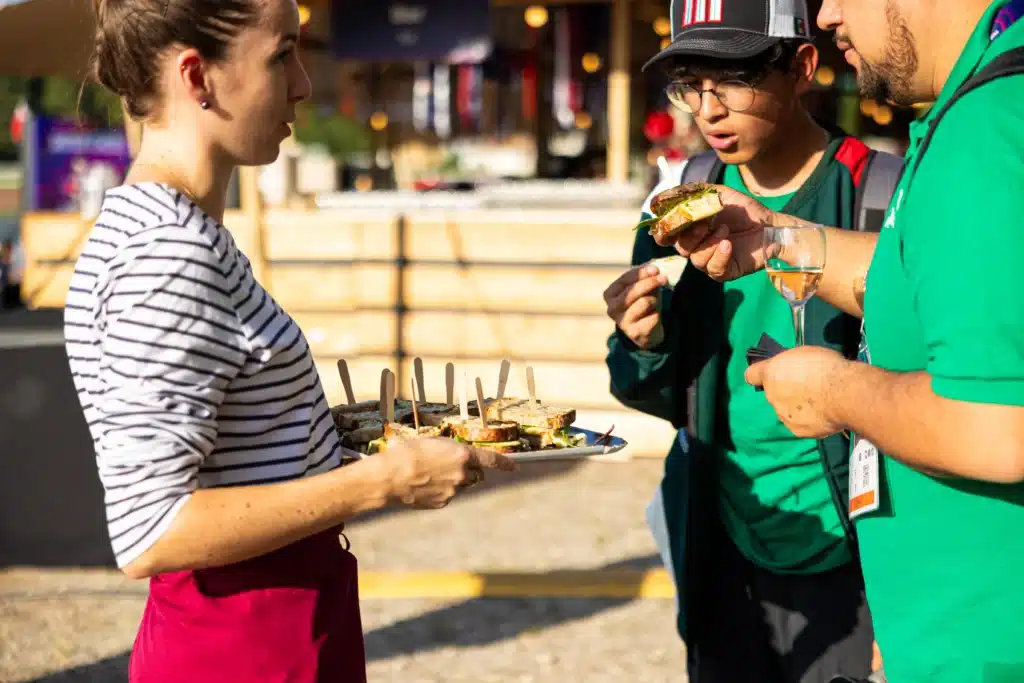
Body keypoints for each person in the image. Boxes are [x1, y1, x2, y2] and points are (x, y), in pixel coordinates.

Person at [65, 1, 517, 681]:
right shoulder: (168, 255)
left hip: (264, 634)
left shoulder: (173, 232)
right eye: (281, 56)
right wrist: (382, 480)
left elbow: (230, 444)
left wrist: (354, 433)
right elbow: (152, 528)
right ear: (197, 76)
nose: (305, 83)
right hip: (240, 648)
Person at [656, 1, 1024, 682]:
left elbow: (1001, 426)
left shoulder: (991, 124)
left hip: (987, 647)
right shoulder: (967, 107)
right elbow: (905, 282)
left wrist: (832, 390)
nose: (825, 14)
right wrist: (770, 238)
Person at [604, 2, 901, 682]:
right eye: (690, 84)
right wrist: (641, 339)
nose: (707, 109)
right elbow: (658, 386)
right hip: (720, 536)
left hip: (848, 550)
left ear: (802, 66)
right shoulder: (684, 194)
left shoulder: (876, 193)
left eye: (731, 80)